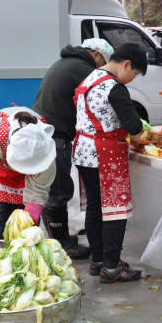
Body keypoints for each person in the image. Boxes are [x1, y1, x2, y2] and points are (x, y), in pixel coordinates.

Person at [31, 38, 114, 260]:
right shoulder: (83, 69)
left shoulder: (67, 62)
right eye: (104, 63)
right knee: (59, 190)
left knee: (53, 186)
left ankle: (58, 236)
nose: (103, 69)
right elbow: (101, 100)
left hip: (45, 130)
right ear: (97, 55)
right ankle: (61, 243)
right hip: (55, 134)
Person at [73, 43, 147, 283]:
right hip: (104, 154)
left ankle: (98, 261)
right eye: (136, 73)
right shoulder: (114, 87)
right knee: (115, 211)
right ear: (127, 64)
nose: (133, 79)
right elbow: (134, 127)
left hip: (83, 152)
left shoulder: (90, 78)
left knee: (95, 207)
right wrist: (142, 138)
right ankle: (112, 268)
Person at [0, 107, 56, 240]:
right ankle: (4, 245)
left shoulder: (45, 149)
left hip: (32, 165)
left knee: (28, 223)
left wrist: (31, 218)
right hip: (2, 170)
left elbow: (38, 190)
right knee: (4, 209)